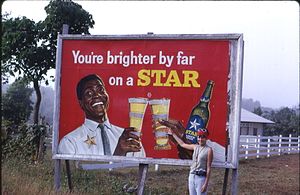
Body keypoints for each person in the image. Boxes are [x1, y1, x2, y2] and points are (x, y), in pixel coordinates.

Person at [58, 74, 145, 157]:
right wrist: (119, 153)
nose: (97, 95)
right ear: (81, 103)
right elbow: (72, 173)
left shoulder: (129, 140)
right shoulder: (70, 142)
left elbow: (142, 171)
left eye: (100, 90)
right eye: (89, 93)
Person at [166, 126, 213, 195]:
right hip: (192, 176)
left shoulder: (209, 150)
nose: (200, 139)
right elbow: (182, 144)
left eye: (203, 137)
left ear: (206, 138)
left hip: (201, 178)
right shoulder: (195, 147)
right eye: (199, 137)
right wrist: (173, 134)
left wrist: (206, 184)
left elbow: (208, 168)